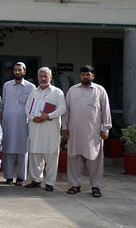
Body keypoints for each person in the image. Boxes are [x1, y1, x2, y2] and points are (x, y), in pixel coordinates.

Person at [63, 65, 112, 198]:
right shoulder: (72, 90)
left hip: (93, 133)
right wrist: (65, 127)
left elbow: (105, 111)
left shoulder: (100, 91)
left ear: (93, 76)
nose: (85, 77)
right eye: (83, 74)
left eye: (88, 74)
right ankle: (74, 185)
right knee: (74, 159)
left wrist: (105, 128)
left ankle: (96, 186)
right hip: (75, 132)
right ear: (80, 76)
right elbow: (66, 111)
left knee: (95, 161)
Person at [25, 67, 66, 192]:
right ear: (38, 77)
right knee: (35, 155)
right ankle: (36, 180)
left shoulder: (57, 92)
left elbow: (62, 109)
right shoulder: (34, 92)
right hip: (36, 127)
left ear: (50, 77)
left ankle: (50, 182)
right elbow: (27, 109)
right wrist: (33, 118)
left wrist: (48, 116)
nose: (43, 78)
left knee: (51, 155)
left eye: (45, 76)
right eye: (41, 76)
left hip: (50, 129)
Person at [1, 62, 35, 186]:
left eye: (19, 70)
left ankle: (21, 177)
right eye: (15, 70)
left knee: (22, 150)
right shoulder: (7, 85)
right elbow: (5, 102)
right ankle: (8, 177)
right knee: (7, 149)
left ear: (24, 72)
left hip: (23, 122)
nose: (17, 72)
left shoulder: (31, 87)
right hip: (8, 121)